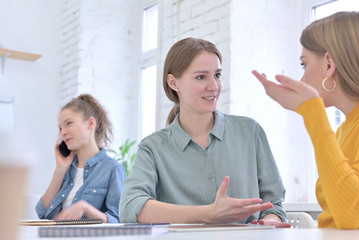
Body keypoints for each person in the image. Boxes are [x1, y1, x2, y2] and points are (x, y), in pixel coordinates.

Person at [253, 11, 359, 232]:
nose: (302, 78)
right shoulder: (344, 129)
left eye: (304, 65)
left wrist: (312, 112)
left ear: (328, 64)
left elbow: (351, 213)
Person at [119, 37, 288, 227]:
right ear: (174, 83)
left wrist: (269, 223)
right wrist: (208, 214)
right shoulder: (153, 148)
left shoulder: (250, 132)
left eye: (217, 75)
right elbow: (130, 206)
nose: (214, 86)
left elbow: (274, 206)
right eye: (201, 77)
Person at [35, 94, 127, 223]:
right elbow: (42, 212)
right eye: (60, 128)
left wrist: (85, 209)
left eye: (69, 123)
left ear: (90, 123)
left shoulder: (113, 170)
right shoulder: (67, 169)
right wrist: (60, 169)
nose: (63, 132)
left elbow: (120, 220)